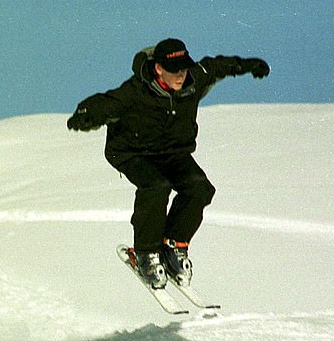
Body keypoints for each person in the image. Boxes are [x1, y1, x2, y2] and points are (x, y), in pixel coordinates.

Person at [68, 38, 269, 289]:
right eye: (174, 70)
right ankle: (146, 254)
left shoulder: (193, 80)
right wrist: (85, 114)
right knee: (156, 186)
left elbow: (217, 66)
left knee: (200, 188)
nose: (181, 75)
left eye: (184, 68)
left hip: (172, 152)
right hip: (132, 152)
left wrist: (247, 65)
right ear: (158, 69)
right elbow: (105, 102)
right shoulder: (136, 91)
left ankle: (174, 246)